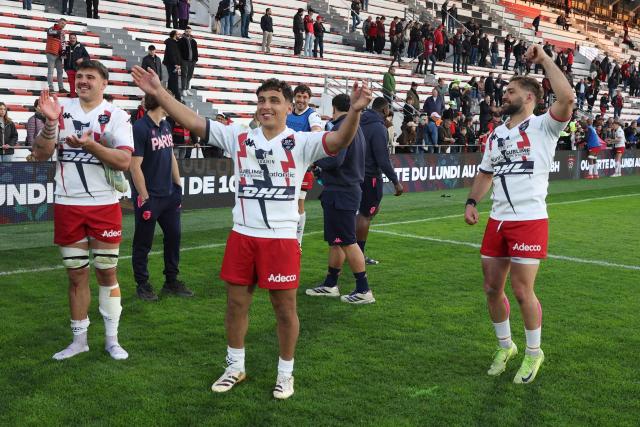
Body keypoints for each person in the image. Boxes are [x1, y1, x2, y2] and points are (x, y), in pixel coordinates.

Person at [131, 64, 372, 400]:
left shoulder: (302, 141)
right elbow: (192, 120)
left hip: (281, 239)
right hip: (242, 234)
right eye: (261, 99)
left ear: (289, 107)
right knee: (235, 304)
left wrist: (355, 113)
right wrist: (160, 93)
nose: (266, 106)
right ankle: (235, 365)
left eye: (274, 100)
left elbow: (340, 139)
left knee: (285, 309)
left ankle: (285, 373)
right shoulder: (240, 137)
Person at [464, 44, 575, 384]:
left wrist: (543, 60)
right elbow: (486, 172)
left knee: (523, 290)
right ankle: (505, 346)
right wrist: (472, 201)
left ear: (529, 97)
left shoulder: (545, 126)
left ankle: (533, 352)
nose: (505, 93)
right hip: (498, 220)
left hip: (529, 220)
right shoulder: (496, 136)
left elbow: (568, 98)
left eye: (511, 90)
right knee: (491, 287)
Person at [30, 60, 134, 361]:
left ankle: (112, 340)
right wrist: (50, 124)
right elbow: (40, 154)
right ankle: (79, 341)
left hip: (103, 205)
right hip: (68, 203)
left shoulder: (116, 116)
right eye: (80, 77)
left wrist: (92, 147)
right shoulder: (60, 109)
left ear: (104, 84)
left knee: (106, 271)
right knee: (76, 275)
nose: (84, 81)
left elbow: (124, 161)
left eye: (91, 77)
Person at [306, 93, 374, 303]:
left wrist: (316, 164)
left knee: (347, 241)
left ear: (334, 108)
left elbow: (335, 160)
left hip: (341, 190)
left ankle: (364, 289)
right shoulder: (356, 127)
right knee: (337, 241)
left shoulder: (341, 128)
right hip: (347, 188)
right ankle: (330, 284)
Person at [130, 93, 193, 301]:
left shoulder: (165, 125)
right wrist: (145, 196)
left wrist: (178, 186)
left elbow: (172, 157)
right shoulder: (140, 128)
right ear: (159, 102)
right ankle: (142, 284)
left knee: (174, 238)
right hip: (151, 198)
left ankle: (171, 281)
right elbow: (134, 166)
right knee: (143, 243)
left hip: (169, 196)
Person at [356, 97, 403, 265]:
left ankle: (352, 250)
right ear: (385, 110)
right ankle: (358, 255)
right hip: (369, 176)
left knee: (366, 212)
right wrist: (395, 181)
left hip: (355, 174)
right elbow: (382, 158)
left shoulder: (359, 120)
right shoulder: (378, 127)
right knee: (365, 214)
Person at [286, 84, 323, 245]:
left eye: (305, 97)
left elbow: (316, 133)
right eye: (299, 97)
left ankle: (298, 241)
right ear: (294, 97)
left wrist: (297, 138)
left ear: (309, 99)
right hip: (284, 164)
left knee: (299, 202)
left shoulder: (312, 115)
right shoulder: (287, 113)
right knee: (286, 202)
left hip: (302, 165)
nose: (301, 100)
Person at [63, 33, 90, 98]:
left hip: (78, 69)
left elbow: (88, 57)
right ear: (69, 39)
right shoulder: (66, 46)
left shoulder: (80, 46)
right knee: (71, 83)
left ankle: (80, 95)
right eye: (71, 38)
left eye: (73, 38)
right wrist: (66, 68)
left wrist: (82, 59)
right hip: (69, 69)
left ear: (76, 38)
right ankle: (72, 95)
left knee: (79, 83)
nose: (72, 39)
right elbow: (63, 56)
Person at [46, 18, 67, 93]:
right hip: (51, 52)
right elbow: (49, 32)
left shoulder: (62, 32)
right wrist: (59, 32)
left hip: (59, 54)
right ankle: (51, 88)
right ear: (58, 22)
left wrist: (64, 53)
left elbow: (63, 43)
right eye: (62, 23)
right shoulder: (51, 28)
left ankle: (61, 88)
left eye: (64, 24)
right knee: (51, 71)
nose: (63, 25)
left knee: (60, 71)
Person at [178, 26, 198, 97]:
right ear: (185, 31)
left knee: (189, 75)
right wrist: (180, 60)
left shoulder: (193, 41)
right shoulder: (181, 40)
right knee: (184, 75)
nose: (188, 33)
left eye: (189, 31)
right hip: (184, 60)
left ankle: (187, 89)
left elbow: (195, 51)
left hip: (192, 61)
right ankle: (183, 89)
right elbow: (179, 51)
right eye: (187, 31)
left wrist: (195, 59)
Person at [163, 30, 182, 101]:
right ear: (174, 35)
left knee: (171, 80)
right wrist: (175, 64)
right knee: (174, 80)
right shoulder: (170, 43)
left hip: (175, 65)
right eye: (178, 34)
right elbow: (171, 55)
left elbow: (178, 55)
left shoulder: (175, 43)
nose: (179, 36)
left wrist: (179, 64)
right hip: (171, 65)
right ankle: (178, 98)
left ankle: (168, 95)